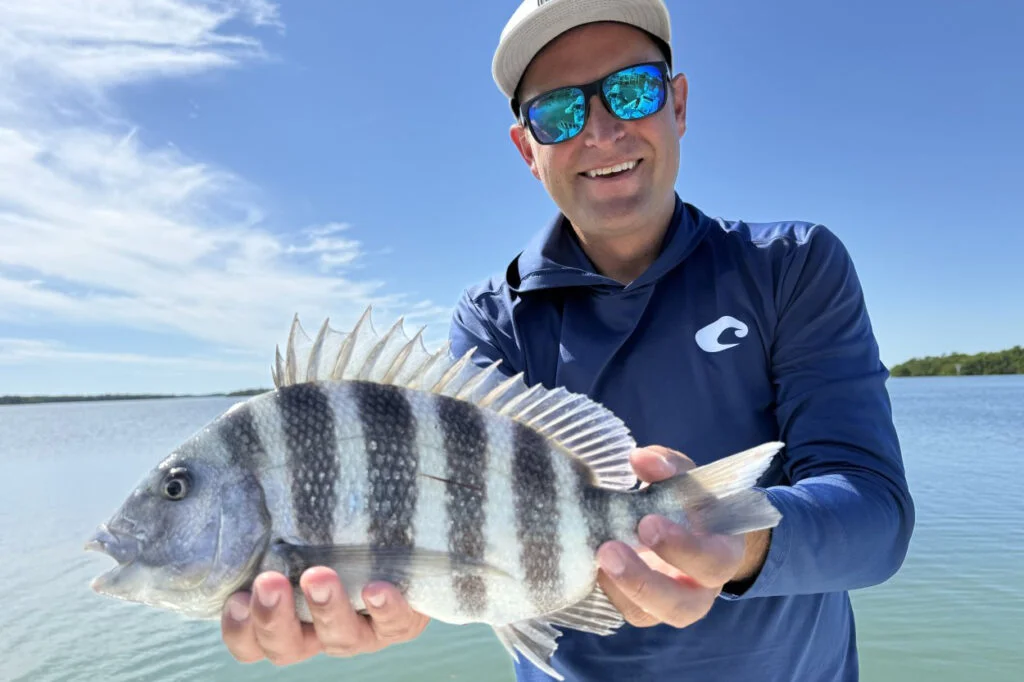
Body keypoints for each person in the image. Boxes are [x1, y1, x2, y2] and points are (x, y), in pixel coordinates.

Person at [219, 0, 916, 679]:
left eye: (633, 91)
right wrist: (385, 607)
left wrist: (732, 540)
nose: (602, 132)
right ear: (528, 148)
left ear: (678, 104)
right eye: (559, 111)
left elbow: (875, 517)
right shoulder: (494, 320)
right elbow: (458, 544)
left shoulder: (792, 266)